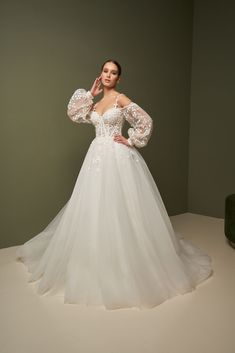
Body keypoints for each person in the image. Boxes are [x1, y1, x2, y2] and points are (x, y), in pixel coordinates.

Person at [16, 59, 212, 310]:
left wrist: (130, 141)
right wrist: (90, 94)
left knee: (122, 208)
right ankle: (96, 260)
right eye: (105, 71)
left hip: (118, 159)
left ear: (119, 78)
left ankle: (127, 264)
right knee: (94, 207)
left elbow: (146, 122)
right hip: (96, 159)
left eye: (114, 73)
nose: (109, 75)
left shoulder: (121, 99)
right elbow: (74, 114)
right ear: (100, 74)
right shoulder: (95, 103)